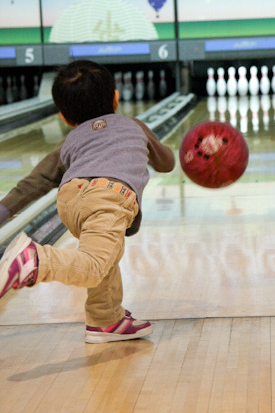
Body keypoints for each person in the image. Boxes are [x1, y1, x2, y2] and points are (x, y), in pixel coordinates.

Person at [0, 60, 175, 343]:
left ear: (65, 117)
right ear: (116, 97)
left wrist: (3, 210)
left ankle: (105, 320)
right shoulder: (134, 126)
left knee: (107, 255)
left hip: (70, 198)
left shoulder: (71, 140)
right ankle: (34, 260)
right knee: (93, 265)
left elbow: (38, 180)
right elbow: (166, 163)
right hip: (110, 196)